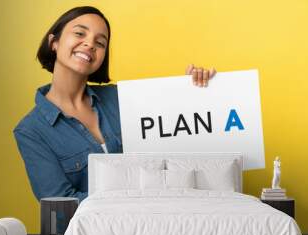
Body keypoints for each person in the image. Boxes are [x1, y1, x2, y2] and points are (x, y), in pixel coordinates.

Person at [14, 6, 216, 204]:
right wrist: (135, 198)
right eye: (79, 33)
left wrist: (196, 91)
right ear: (54, 42)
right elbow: (59, 207)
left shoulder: (121, 98)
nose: (90, 44)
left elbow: (177, 131)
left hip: (155, 224)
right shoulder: (31, 131)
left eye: (100, 43)